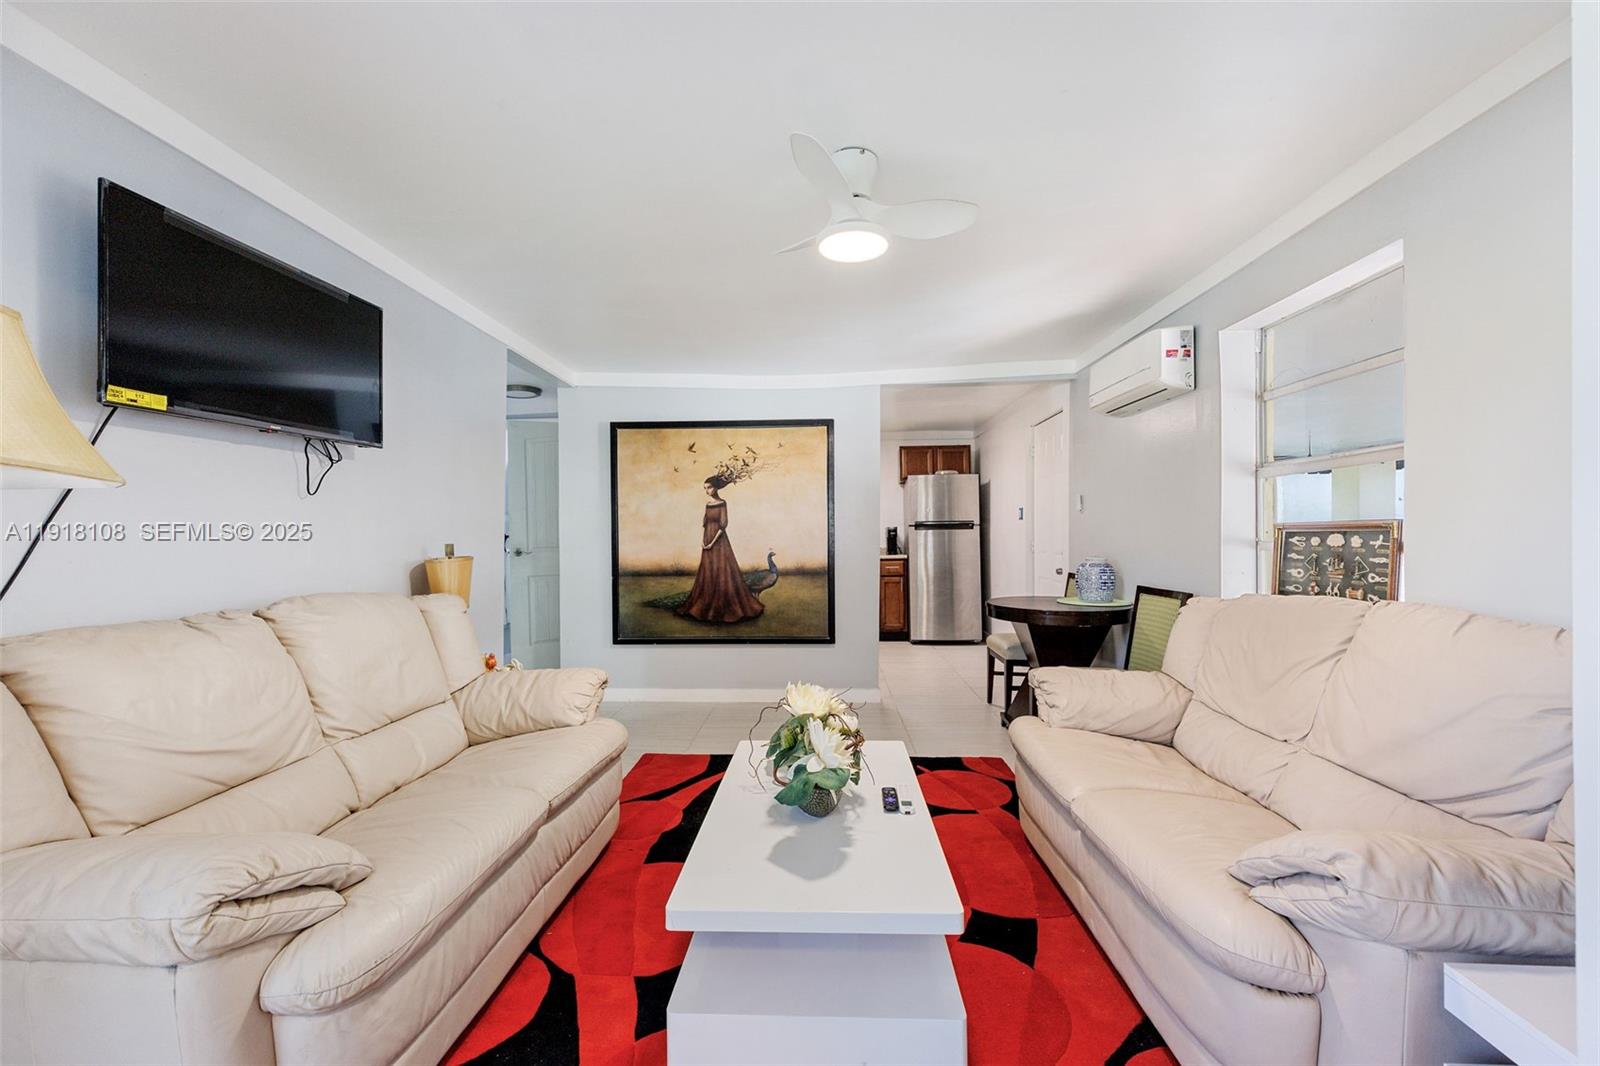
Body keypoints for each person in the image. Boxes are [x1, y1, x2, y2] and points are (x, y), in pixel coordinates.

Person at [677, 474, 765, 623]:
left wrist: (711, 543)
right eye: (705, 488)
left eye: (709, 487)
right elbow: (705, 524)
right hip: (707, 539)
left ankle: (723, 607)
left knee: (723, 570)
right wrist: (703, 541)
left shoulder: (722, 503)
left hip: (719, 541)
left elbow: (722, 526)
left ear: (716, 488)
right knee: (708, 570)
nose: (707, 491)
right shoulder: (707, 504)